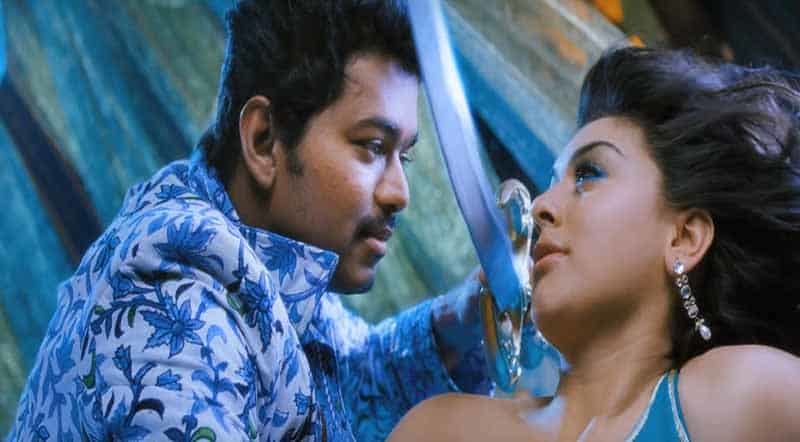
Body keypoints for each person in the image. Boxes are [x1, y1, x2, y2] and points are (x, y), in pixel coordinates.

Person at [6, 1, 491, 440]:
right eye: (372, 147)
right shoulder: (174, 310)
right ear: (264, 141)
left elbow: (351, 379)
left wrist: (459, 321)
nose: (399, 193)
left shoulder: (267, 263)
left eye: (403, 157)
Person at [389, 46, 800, 441]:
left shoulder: (741, 398)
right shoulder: (440, 430)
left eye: (588, 174)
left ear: (684, 238)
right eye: (552, 182)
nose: (541, 205)